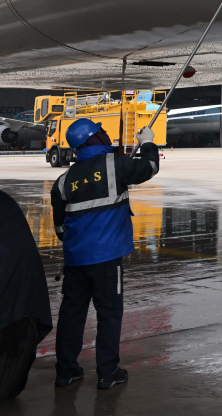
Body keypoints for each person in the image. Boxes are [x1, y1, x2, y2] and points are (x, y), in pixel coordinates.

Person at [50, 119, 159, 390]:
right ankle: (107, 372)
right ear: (93, 139)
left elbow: (60, 227)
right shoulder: (115, 165)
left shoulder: (63, 181)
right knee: (109, 314)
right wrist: (147, 142)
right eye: (101, 132)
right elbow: (150, 167)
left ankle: (66, 372)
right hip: (107, 258)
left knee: (71, 314)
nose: (107, 133)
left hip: (76, 259)